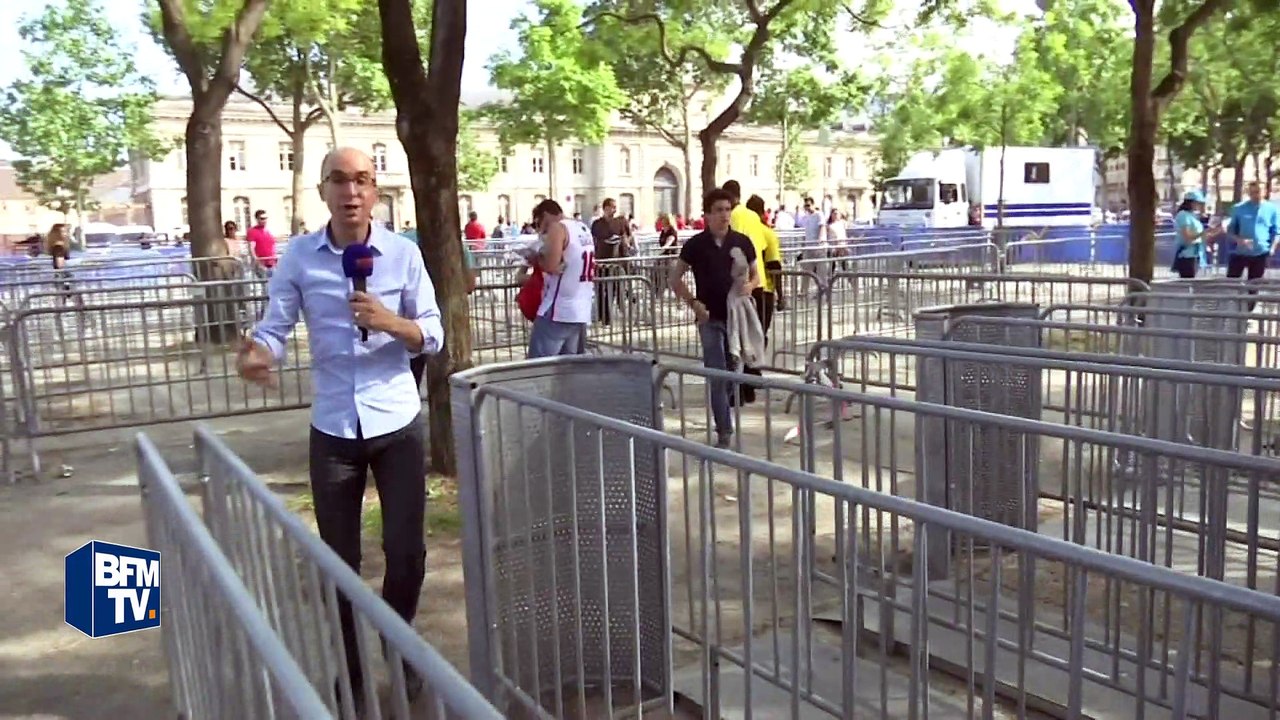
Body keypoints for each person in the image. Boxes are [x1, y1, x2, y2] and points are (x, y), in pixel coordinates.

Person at [236, 147, 444, 708]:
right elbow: (276, 325)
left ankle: (399, 648)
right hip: (332, 428)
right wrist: (260, 353)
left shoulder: (403, 255)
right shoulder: (300, 257)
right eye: (339, 181)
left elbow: (433, 332)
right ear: (323, 190)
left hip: (397, 419)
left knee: (406, 555)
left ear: (375, 190)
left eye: (363, 181)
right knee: (339, 562)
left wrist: (391, 322)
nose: (351, 192)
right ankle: (350, 673)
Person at [668, 188, 759, 449]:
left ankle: (725, 411)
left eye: (727, 209)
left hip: (736, 317)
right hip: (709, 319)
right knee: (717, 374)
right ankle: (724, 430)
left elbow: (756, 276)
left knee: (734, 373)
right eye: (718, 210)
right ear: (707, 214)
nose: (724, 215)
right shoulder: (695, 245)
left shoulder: (742, 242)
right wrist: (694, 304)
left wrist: (750, 287)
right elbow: (675, 279)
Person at [528, 198, 595, 358]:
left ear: (545, 216)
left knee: (537, 369)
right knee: (568, 370)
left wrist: (536, 258)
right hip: (580, 308)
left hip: (558, 309)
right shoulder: (582, 228)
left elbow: (551, 266)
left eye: (540, 223)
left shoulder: (558, 229)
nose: (541, 230)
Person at [589, 197, 632, 326]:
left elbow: (629, 235)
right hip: (602, 260)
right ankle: (604, 317)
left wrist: (625, 241)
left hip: (617, 260)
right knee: (601, 289)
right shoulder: (597, 224)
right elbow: (594, 239)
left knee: (617, 287)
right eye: (612, 207)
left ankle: (619, 316)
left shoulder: (621, 221)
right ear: (605, 208)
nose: (614, 209)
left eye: (615, 207)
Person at [1226, 181, 1279, 281]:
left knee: (1254, 285)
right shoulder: (1239, 208)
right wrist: (1239, 240)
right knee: (1232, 282)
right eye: (1252, 192)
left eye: (1258, 192)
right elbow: (1230, 230)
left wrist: (1272, 247)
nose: (1255, 195)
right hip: (1240, 252)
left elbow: (1277, 231)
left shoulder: (1272, 209)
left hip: (1261, 252)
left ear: (1264, 191)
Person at [1173, 190, 1218, 279]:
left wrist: (1213, 232)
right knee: (1187, 281)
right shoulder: (1183, 215)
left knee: (1193, 281)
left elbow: (1199, 235)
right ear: (1191, 202)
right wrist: (1203, 233)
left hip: (1196, 254)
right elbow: (1187, 236)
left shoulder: (1192, 216)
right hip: (1187, 255)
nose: (1199, 206)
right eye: (1198, 203)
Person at [246, 210, 277, 276]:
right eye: (262, 218)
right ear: (257, 219)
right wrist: (257, 263)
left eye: (265, 218)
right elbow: (251, 248)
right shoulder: (252, 231)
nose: (264, 220)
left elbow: (273, 246)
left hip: (272, 264)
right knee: (264, 285)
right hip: (261, 264)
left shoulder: (268, 231)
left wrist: (275, 261)